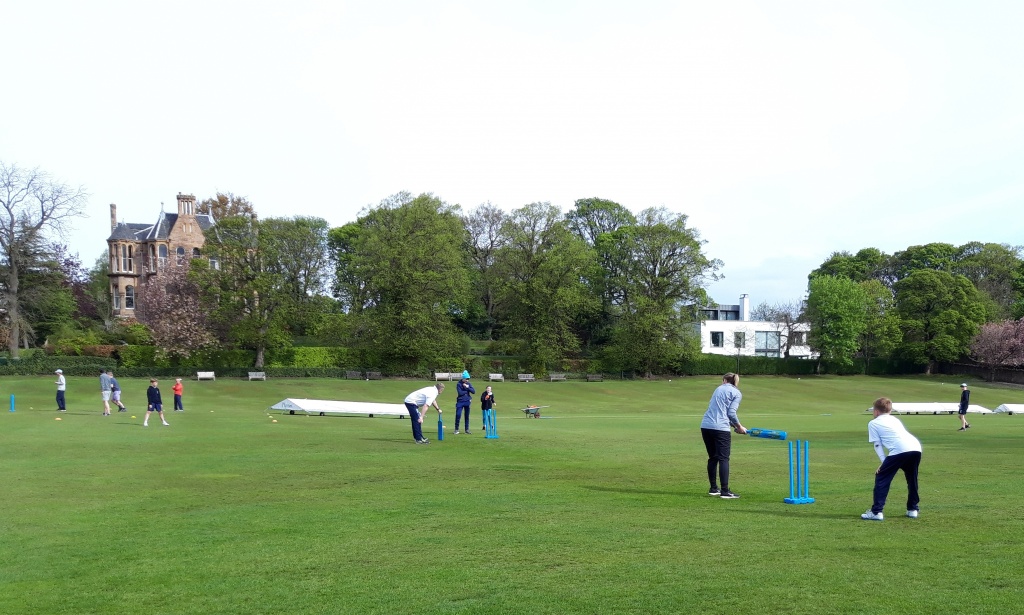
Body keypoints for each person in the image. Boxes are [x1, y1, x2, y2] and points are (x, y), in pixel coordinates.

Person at [862, 397, 922, 521]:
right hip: (915, 448)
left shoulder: (873, 423)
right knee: (912, 478)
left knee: (881, 478)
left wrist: (884, 462)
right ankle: (913, 509)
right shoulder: (895, 419)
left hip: (900, 450)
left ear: (876, 411)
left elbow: (877, 444)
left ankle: (876, 512)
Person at [700, 373, 747, 499]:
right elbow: (730, 412)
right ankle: (725, 491)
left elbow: (721, 412)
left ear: (724, 380)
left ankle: (713, 488)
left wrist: (735, 426)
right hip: (721, 429)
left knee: (713, 457)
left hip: (706, 426)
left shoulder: (718, 389)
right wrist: (739, 426)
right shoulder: (736, 393)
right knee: (724, 459)